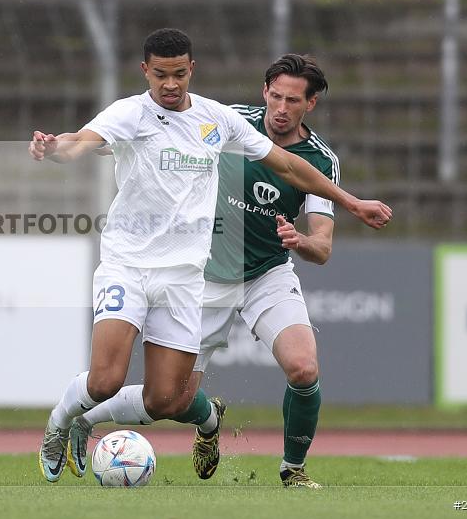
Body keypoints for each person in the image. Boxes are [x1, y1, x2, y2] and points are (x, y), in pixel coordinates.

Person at [28, 29, 392, 483]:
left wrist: (350, 204)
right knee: (116, 385)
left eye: (179, 73)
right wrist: (55, 148)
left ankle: (262, 452)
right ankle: (65, 421)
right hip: (153, 268)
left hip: (217, 275)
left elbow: (288, 167)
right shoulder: (134, 112)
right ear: (146, 72)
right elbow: (85, 140)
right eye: (160, 74)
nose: (170, 84)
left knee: (188, 394)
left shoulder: (219, 121)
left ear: (191, 70)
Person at [74, 54, 344, 488]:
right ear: (264, 92)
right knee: (168, 401)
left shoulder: (320, 159)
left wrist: (302, 242)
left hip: (265, 275)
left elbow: (323, 247)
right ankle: (200, 421)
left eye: (293, 100)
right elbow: (150, 136)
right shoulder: (227, 120)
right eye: (275, 96)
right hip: (201, 278)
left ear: (310, 104)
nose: (281, 108)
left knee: (304, 367)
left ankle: (293, 468)